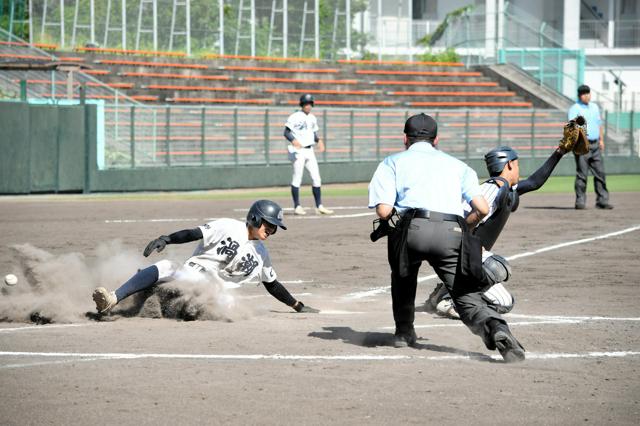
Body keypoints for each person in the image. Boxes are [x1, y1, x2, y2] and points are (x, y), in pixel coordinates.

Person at [368, 113, 525, 363]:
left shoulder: (392, 162)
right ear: (436, 139)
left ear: (405, 139)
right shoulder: (458, 165)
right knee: (464, 296)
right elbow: (483, 209)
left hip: (411, 229)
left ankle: (403, 332)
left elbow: (384, 211)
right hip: (451, 232)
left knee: (403, 277)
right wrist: (463, 227)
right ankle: (496, 328)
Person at [426, 139, 577, 319]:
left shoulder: (504, 188)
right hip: (456, 251)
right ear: (509, 165)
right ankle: (450, 299)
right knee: (496, 268)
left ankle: (447, 290)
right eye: (517, 164)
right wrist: (468, 243)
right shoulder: (490, 190)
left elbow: (534, 182)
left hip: (463, 254)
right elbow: (459, 222)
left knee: (504, 301)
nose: (519, 169)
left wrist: (558, 153)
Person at [92, 200, 319, 315]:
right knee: (167, 265)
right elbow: (194, 233)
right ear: (256, 219)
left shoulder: (262, 254)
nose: (271, 231)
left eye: (275, 228)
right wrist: (168, 239)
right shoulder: (227, 226)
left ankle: (158, 302)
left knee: (228, 307)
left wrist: (298, 306)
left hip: (215, 295)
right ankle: (113, 298)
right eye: (269, 225)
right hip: (190, 274)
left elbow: (273, 285)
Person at [284, 94, 334, 216]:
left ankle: (319, 206)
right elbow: (286, 132)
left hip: (309, 150)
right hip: (298, 151)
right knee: (297, 178)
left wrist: (319, 140)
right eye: (306, 103)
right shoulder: (295, 116)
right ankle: (297, 206)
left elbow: (313, 134)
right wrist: (293, 140)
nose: (308, 106)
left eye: (310, 103)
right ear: (302, 104)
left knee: (316, 178)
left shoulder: (312, 118)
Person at [569, 84, 613, 210]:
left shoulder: (594, 107)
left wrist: (602, 140)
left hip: (595, 144)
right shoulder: (575, 108)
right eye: (584, 94)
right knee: (582, 174)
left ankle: (602, 200)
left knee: (600, 173)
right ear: (579, 95)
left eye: (588, 93)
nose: (587, 96)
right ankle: (580, 201)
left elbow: (599, 124)